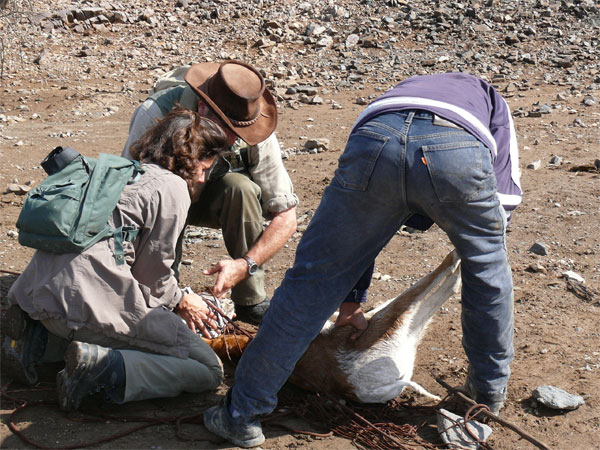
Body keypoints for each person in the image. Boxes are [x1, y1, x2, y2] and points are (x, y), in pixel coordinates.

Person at [202, 72, 523, 447]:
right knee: (488, 272)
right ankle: (481, 402)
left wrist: (351, 298)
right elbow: (504, 201)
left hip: (376, 136)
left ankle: (241, 413)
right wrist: (480, 245)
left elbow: (357, 236)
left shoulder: (396, 94)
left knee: (311, 281)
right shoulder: (490, 100)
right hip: (457, 145)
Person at [3, 108, 229, 411]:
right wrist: (183, 301)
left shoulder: (118, 172)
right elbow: (155, 280)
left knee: (91, 318)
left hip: (36, 298)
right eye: (207, 167)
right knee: (207, 368)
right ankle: (103, 368)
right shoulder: (172, 187)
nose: (204, 177)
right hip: (85, 308)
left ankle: (39, 343)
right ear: (194, 158)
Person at [122, 60, 299, 325]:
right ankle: (163, 297)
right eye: (228, 129)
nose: (233, 138)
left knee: (242, 190)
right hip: (160, 199)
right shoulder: (155, 113)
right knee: (169, 191)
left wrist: (245, 265)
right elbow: (128, 196)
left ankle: (250, 301)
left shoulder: (252, 129)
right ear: (202, 107)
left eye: (238, 132)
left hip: (209, 199)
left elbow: (286, 216)